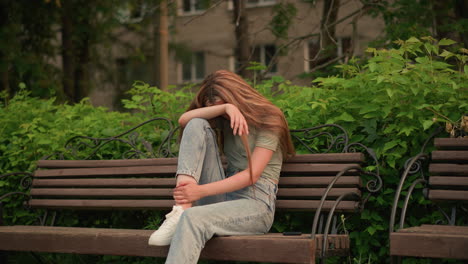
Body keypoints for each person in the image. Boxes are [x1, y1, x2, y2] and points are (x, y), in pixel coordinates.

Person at [148, 70, 295, 263]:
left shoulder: (270, 117)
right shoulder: (225, 117)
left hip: (255, 204)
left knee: (193, 218)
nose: (223, 119)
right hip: (223, 197)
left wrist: (199, 191)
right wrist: (225, 109)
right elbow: (184, 120)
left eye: (225, 106)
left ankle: (185, 213)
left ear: (237, 96)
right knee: (196, 123)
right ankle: (180, 210)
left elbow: (252, 175)